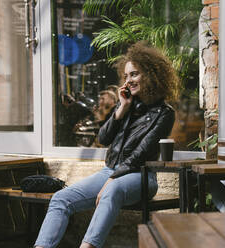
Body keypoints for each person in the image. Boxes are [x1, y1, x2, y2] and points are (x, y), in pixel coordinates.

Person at [34, 41, 180, 248]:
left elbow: (142, 152)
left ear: (150, 75)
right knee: (60, 199)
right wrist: (121, 110)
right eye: (127, 76)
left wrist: (113, 179)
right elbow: (103, 138)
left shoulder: (164, 113)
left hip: (142, 176)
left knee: (112, 191)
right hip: (110, 172)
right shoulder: (127, 105)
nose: (129, 80)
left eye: (135, 74)